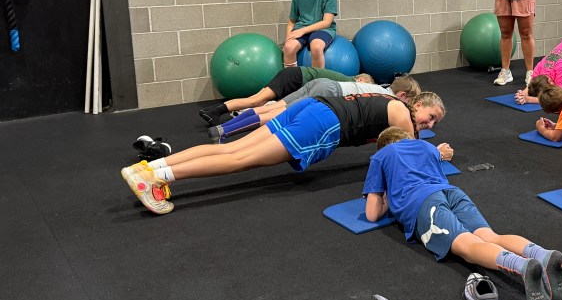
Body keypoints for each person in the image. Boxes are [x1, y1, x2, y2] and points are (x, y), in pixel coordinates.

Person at [121, 92, 450, 216]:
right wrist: (435, 153)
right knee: (239, 160)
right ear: (416, 103)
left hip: (313, 106)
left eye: (435, 122)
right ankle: (154, 178)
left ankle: (151, 167)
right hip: (323, 122)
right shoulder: (401, 113)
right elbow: (406, 154)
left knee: (234, 147)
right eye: (430, 115)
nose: (429, 122)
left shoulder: (389, 100)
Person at [364, 127, 562, 300]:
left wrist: (388, 194)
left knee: (469, 246)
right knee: (489, 236)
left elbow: (372, 214)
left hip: (423, 202)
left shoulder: (380, 156)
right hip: (452, 192)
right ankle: (541, 254)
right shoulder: (427, 146)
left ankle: (521, 266)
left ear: (384, 145)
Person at [209, 75, 421, 143]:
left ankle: (223, 128)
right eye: (410, 103)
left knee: (274, 108)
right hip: (330, 93)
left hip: (322, 83)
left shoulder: (380, 87)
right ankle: (226, 132)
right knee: (280, 115)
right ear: (402, 96)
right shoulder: (391, 102)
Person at [198, 66, 371, 126]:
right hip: (295, 78)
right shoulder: (349, 82)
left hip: (296, 78)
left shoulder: (343, 80)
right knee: (258, 100)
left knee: (267, 103)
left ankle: (224, 113)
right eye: (367, 86)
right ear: (361, 79)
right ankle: (215, 111)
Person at [283, 0, 339, 68]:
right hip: (301, 29)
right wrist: (288, 37)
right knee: (288, 48)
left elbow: (326, 22)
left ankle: (317, 82)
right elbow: (291, 21)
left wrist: (302, 31)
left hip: (323, 30)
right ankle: (291, 82)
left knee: (316, 47)